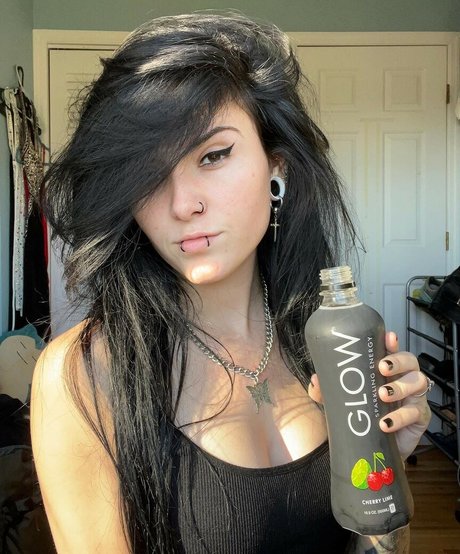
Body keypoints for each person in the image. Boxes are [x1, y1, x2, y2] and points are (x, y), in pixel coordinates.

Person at [31, 12, 432, 554]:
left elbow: (379, 545)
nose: (182, 203)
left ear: (276, 167)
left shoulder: (328, 344)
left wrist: (386, 473)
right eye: (146, 172)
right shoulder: (84, 376)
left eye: (213, 156)